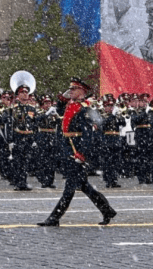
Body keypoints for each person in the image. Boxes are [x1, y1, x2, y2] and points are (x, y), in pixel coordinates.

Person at [37, 78, 116, 227]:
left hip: (76, 150)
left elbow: (88, 135)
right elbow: (60, 111)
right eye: (70, 89)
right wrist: (62, 99)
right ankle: (107, 210)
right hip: (68, 148)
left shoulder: (85, 109)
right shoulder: (71, 105)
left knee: (70, 188)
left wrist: (82, 154)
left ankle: (54, 218)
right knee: (84, 186)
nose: (71, 91)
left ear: (82, 92)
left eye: (74, 89)